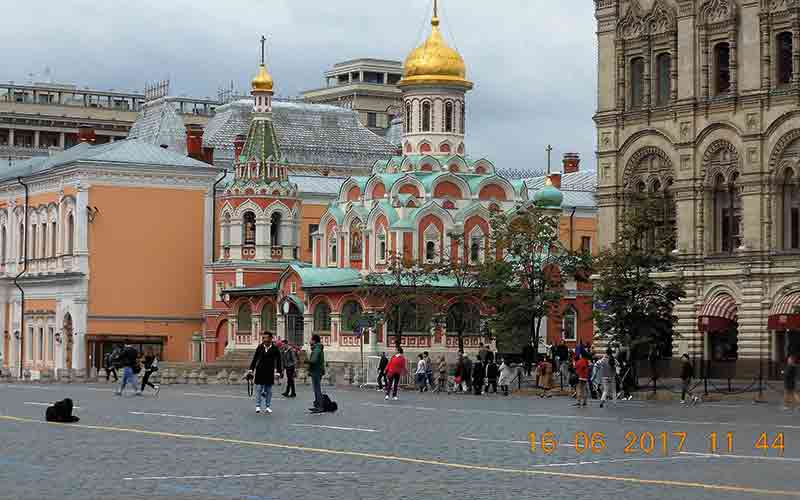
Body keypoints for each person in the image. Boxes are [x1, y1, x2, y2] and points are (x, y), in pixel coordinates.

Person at [248, 332, 283, 414]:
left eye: (266, 338)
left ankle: (268, 406)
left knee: (268, 390)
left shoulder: (275, 349)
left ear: (271, 339)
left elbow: (278, 361)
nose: (264, 340)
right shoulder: (260, 347)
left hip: (269, 372)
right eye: (263, 338)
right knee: (259, 389)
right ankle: (258, 406)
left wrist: (278, 372)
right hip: (260, 371)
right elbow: (255, 359)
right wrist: (251, 370)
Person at [308, 334, 325, 411]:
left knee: (317, 389)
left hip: (316, 371)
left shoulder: (317, 349)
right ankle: (318, 405)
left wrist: (305, 361)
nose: (309, 341)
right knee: (317, 388)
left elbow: (313, 360)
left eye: (311, 339)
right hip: (317, 370)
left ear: (314, 341)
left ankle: (319, 406)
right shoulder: (317, 348)